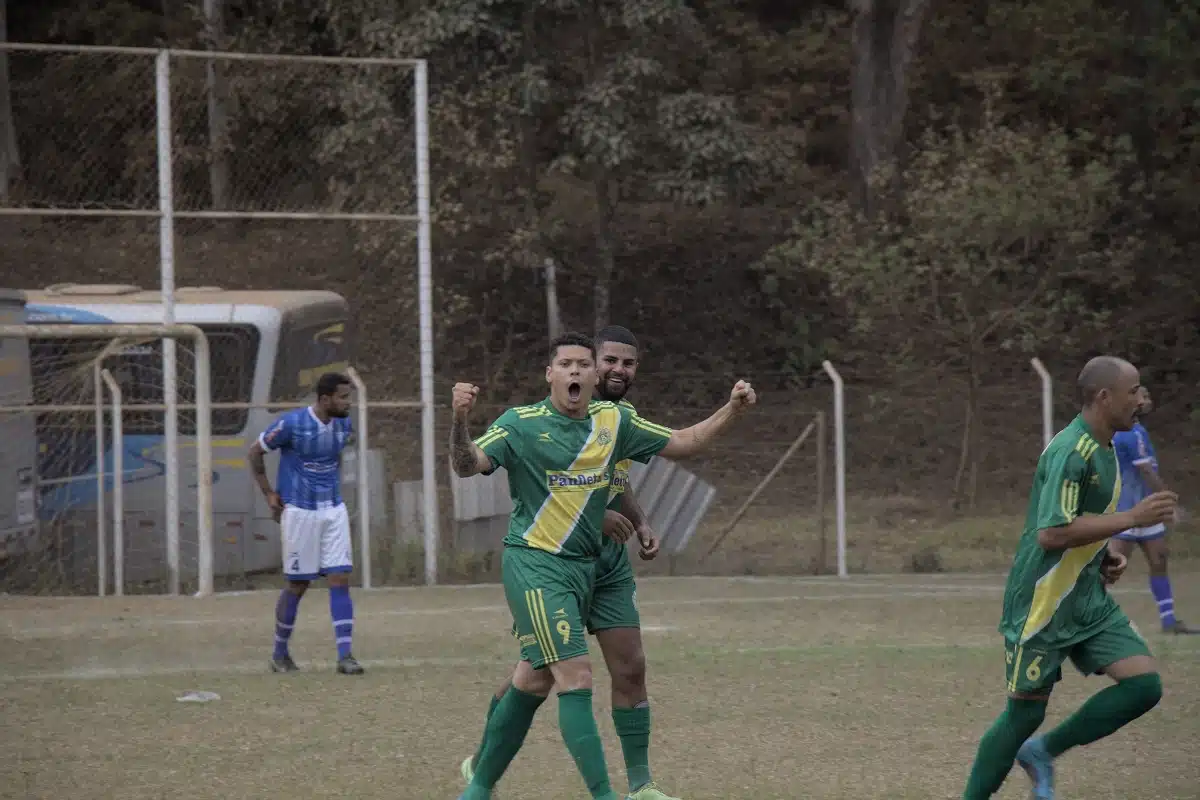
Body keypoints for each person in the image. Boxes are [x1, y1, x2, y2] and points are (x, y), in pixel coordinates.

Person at [449, 331, 756, 800]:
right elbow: (468, 464)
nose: (579, 372)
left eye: (584, 365)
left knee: (543, 676)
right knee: (572, 676)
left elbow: (684, 441)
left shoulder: (615, 419)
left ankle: (488, 784)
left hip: (601, 564)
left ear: (592, 376)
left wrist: (732, 410)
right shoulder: (521, 423)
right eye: (568, 364)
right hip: (541, 565)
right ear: (550, 374)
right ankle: (601, 795)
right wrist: (459, 419)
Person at [962, 356, 1174, 800]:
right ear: (1104, 397)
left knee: (1143, 685)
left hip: (1086, 597)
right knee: (1023, 716)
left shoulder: (1108, 447)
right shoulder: (1070, 451)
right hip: (1043, 601)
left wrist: (1102, 559)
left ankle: (1042, 752)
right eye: (1133, 390)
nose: (1141, 398)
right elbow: (1051, 532)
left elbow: (1083, 521)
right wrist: (1130, 518)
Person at [247, 371, 364, 676]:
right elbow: (255, 452)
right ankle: (279, 653)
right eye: (343, 397)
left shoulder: (344, 425)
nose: (347, 402)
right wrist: (269, 493)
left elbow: (335, 459)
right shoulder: (292, 424)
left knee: (339, 578)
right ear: (325, 399)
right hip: (299, 512)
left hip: (333, 510)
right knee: (298, 584)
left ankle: (345, 656)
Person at [1110, 386, 1196, 634]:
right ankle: (1081, 618)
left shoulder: (1137, 431)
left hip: (1147, 509)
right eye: (1143, 397)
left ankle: (1169, 621)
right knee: (1112, 566)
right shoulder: (1128, 434)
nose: (1147, 401)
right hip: (1128, 510)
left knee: (1159, 559)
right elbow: (1146, 471)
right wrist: (1169, 501)